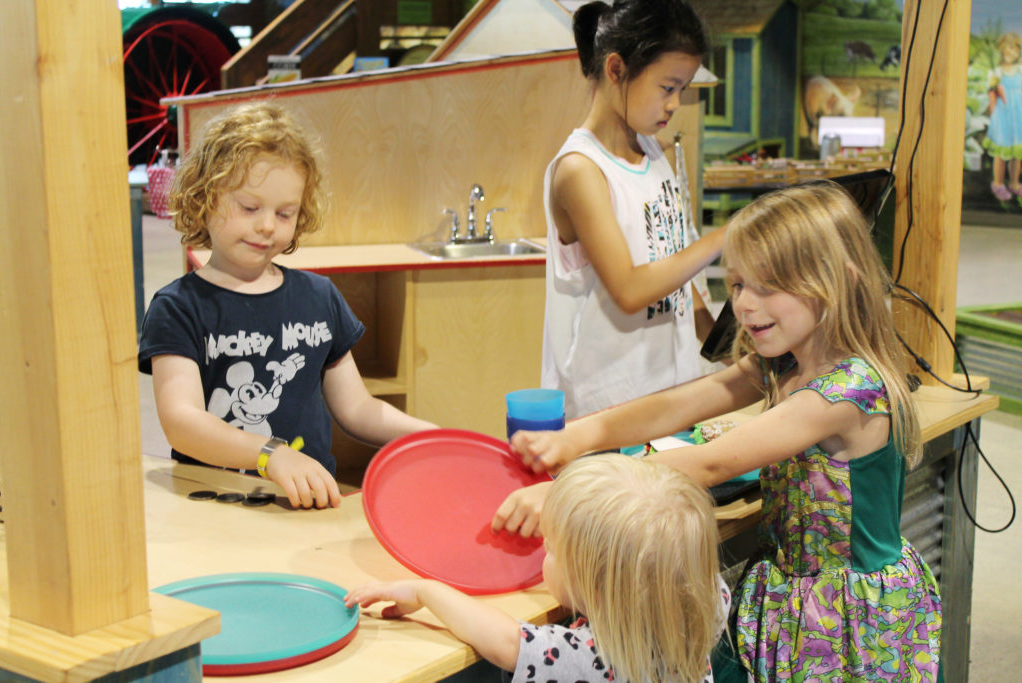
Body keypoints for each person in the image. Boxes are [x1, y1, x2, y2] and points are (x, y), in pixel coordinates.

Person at [494, 182, 942, 681]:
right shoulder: (783, 364)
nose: (745, 304)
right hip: (793, 596)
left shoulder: (848, 390)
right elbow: (684, 402)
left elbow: (713, 462)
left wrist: (570, 493)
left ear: (836, 281)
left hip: (848, 618)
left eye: (767, 286)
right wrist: (580, 434)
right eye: (737, 284)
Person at [138, 102, 436, 509]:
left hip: (306, 506)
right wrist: (270, 455)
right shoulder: (178, 308)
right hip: (216, 509)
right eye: (249, 207)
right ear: (205, 198)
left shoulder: (319, 296)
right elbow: (182, 422)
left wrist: (431, 434)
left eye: (284, 213)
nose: (266, 226)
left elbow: (357, 408)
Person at [346, 454, 729, 683]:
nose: (543, 551)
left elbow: (505, 641)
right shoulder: (707, 604)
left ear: (595, 586)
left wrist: (424, 590)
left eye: (552, 549)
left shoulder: (596, 659)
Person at [543, 0, 726, 419]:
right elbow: (629, 289)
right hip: (606, 408)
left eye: (682, 90)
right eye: (667, 87)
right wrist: (725, 236)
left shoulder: (652, 152)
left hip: (671, 394)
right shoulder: (580, 169)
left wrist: (721, 344)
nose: (675, 104)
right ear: (616, 69)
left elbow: (670, 272)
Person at [984, 31, 1022, 201]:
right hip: (1003, 116)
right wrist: (993, 115)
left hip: (1018, 117)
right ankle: (998, 183)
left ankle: (1014, 183)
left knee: (1016, 153)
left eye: (1015, 49)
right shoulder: (997, 72)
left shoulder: (1020, 70)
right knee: (1001, 152)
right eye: (1008, 48)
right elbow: (992, 95)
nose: (1011, 53)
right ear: (1001, 50)